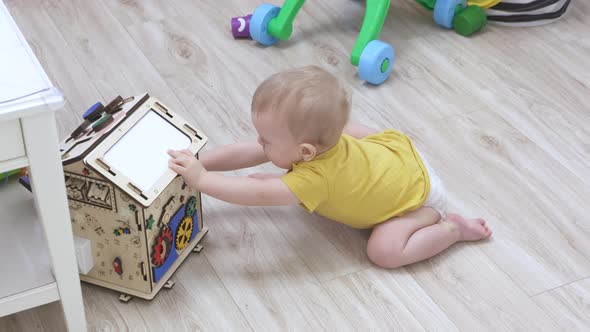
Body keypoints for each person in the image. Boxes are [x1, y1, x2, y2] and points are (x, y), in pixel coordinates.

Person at [168, 66, 492, 269]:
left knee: (384, 252)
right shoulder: (318, 144)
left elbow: (254, 192)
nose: (258, 142)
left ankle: (452, 230)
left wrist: (202, 179)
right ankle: (307, 170)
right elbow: (248, 152)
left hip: (417, 201)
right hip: (396, 154)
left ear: (305, 152)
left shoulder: (316, 177)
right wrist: (199, 161)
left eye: (266, 139)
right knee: (343, 132)